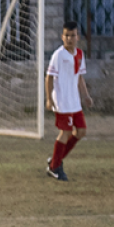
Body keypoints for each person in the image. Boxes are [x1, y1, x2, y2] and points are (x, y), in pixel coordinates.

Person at [45, 21, 93, 181]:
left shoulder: (79, 54)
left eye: (72, 35)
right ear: (62, 37)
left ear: (77, 37)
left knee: (81, 131)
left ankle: (55, 160)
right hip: (62, 101)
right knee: (65, 132)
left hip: (74, 101)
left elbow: (79, 77)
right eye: (67, 35)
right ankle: (54, 167)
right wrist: (49, 99)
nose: (69, 38)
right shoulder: (58, 55)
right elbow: (49, 77)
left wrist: (86, 96)